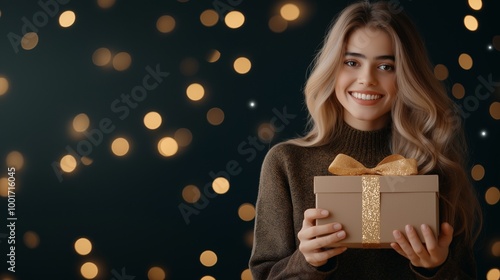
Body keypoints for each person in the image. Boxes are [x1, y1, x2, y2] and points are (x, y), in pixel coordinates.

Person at [249, 1, 482, 279]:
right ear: (332, 68)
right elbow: (264, 275)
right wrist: (307, 261)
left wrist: (436, 268)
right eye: (351, 62)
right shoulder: (286, 162)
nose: (366, 79)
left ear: (407, 76)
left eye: (386, 66)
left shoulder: (434, 165)